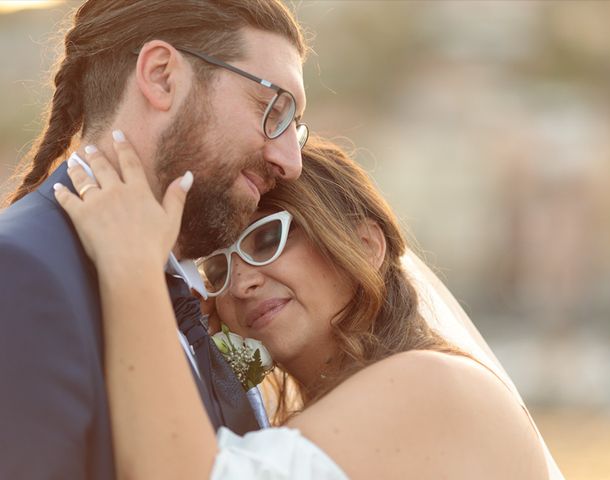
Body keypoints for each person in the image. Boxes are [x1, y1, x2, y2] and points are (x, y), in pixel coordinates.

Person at [54, 135, 555, 479]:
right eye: (217, 270)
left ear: (364, 245)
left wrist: (132, 266)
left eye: (266, 238)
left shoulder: (430, 382)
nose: (241, 284)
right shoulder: (321, 413)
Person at [0, 1, 308, 478]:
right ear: (162, 76)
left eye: (295, 127)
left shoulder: (192, 300)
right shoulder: (20, 272)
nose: (292, 162)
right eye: (272, 109)